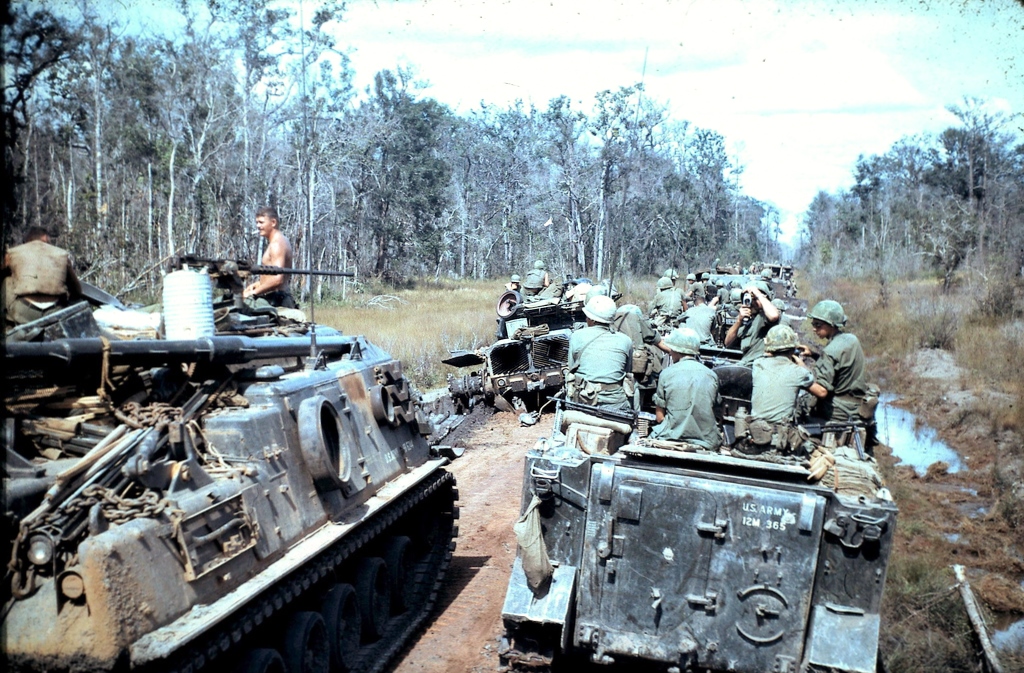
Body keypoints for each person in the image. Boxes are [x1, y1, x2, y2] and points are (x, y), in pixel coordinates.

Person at [649, 327, 721, 449]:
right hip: (706, 441)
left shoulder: (666, 373)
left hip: (670, 437)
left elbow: (660, 418)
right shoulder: (711, 375)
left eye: (671, 349)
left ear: (676, 350)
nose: (670, 353)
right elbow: (716, 412)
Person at [3, 226, 82, 328]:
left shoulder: (13, 253)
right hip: (55, 311)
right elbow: (77, 290)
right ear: (45, 239)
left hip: (24, 311)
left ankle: (8, 330)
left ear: (27, 241)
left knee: (7, 280)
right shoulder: (61, 254)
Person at [805, 300, 870, 423]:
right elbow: (840, 366)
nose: (814, 329)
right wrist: (813, 354)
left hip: (839, 411)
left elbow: (822, 391)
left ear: (831, 324)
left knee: (803, 405)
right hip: (856, 406)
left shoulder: (830, 351)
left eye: (818, 325)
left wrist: (800, 372)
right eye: (813, 324)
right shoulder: (851, 339)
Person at [567, 295, 633, 410]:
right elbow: (627, 371)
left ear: (591, 319)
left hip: (584, 400)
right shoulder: (625, 340)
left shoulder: (577, 336)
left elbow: (571, 368)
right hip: (615, 404)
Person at [243, 206, 296, 308]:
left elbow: (278, 279)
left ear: (273, 223)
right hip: (274, 297)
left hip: (277, 300)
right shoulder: (278, 241)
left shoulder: (277, 244)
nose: (258, 226)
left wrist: (253, 293)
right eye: (257, 222)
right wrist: (258, 284)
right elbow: (273, 276)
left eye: (261, 222)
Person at [724, 282, 780, 366]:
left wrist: (758, 294)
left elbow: (774, 316)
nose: (752, 303)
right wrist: (739, 321)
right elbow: (727, 343)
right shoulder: (745, 320)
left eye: (755, 299)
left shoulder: (764, 316)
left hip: (762, 365)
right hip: (746, 365)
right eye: (750, 299)